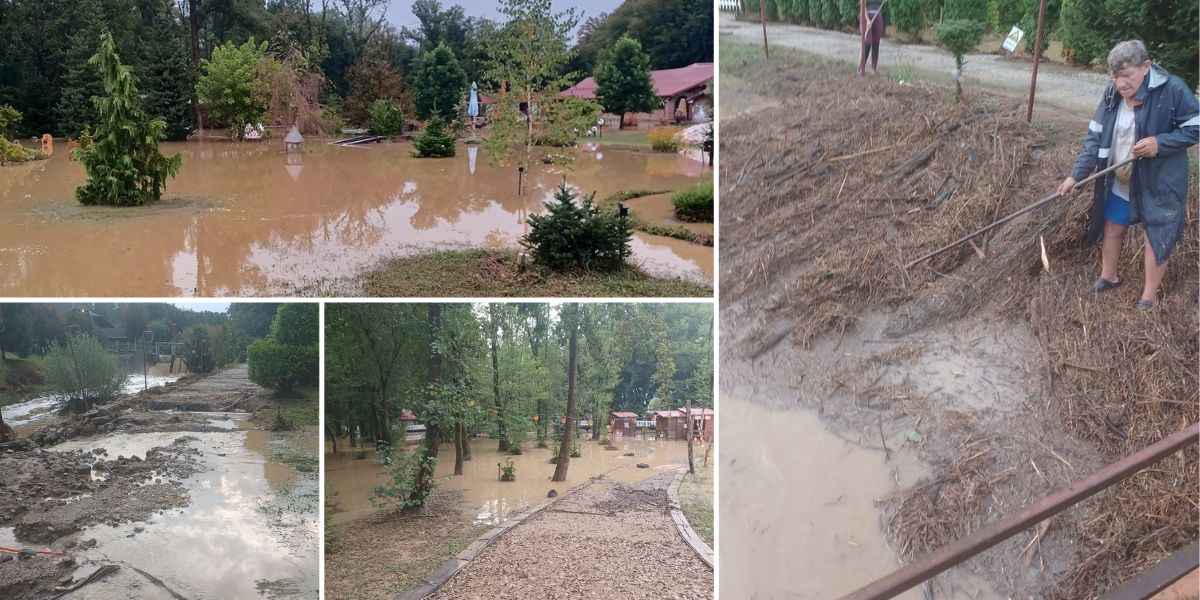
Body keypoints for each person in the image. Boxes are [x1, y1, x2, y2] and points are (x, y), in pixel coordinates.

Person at [1057, 40, 1198, 311]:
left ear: (1145, 67)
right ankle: (1109, 277)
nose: (1120, 84)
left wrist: (1160, 143)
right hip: (1121, 177)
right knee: (1112, 226)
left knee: (1154, 235)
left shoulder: (1172, 90)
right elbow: (1094, 138)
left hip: (1159, 180)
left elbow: (1196, 126)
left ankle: (1148, 297)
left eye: (1127, 76)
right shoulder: (1111, 95)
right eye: (1115, 76)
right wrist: (1075, 176)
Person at [858, 0, 885, 76]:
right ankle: (861, 67)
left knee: (876, 43)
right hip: (866, 16)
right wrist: (867, 20)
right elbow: (863, 6)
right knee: (867, 43)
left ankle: (873, 68)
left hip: (877, 16)